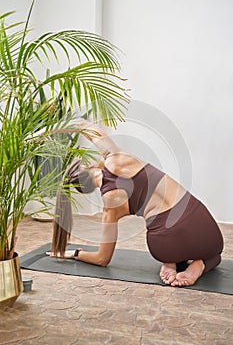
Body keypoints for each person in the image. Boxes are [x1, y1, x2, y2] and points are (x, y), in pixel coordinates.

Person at [47, 118, 224, 287]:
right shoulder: (116, 157)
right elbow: (81, 125)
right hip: (201, 223)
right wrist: (43, 132)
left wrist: (75, 253)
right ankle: (201, 265)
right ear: (89, 165)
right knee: (215, 254)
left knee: (173, 245)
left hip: (164, 244)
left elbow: (102, 259)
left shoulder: (109, 206)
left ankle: (171, 261)